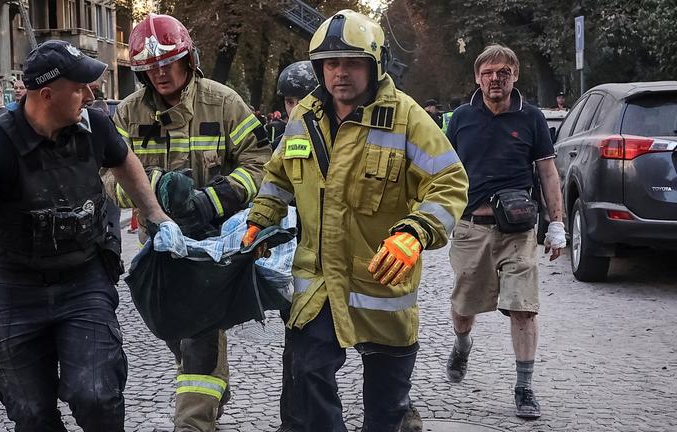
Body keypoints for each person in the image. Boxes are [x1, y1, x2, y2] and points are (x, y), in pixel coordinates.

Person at [0, 40, 170, 431]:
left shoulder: (95, 124)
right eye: (79, 86)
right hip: (17, 290)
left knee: (97, 395)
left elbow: (124, 160)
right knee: (30, 412)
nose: (89, 93)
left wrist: (157, 217)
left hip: (84, 282)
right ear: (47, 94)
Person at [243, 10, 468, 432]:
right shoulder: (302, 118)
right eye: (331, 64)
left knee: (385, 410)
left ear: (374, 64)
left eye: (351, 63)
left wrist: (415, 233)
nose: (340, 73)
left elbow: (449, 182)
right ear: (319, 68)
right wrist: (260, 219)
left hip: (381, 284)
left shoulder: (406, 118)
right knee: (308, 376)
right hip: (319, 284)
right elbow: (277, 177)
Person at [112, 14, 270, 432]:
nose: (160, 72)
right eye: (151, 66)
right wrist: (155, 194)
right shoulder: (127, 114)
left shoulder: (224, 101)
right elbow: (106, 176)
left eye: (168, 62)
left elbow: (260, 162)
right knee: (177, 335)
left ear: (189, 59)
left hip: (211, 246)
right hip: (159, 248)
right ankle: (213, 385)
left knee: (198, 339)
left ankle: (194, 422)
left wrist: (212, 201)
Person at [443, 44, 566, 420]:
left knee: (523, 309)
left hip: (517, 232)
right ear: (477, 78)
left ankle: (524, 388)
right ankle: (462, 345)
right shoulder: (461, 118)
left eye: (504, 72)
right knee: (463, 310)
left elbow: (547, 172)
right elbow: (443, 172)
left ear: (515, 76)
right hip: (470, 230)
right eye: (489, 72)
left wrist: (557, 223)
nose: (496, 78)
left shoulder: (531, 119)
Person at [268, 59, 318, 432]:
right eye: (289, 101)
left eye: (303, 98)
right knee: (298, 344)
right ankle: (294, 423)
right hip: (306, 262)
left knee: (377, 343)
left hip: (360, 258)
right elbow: (274, 190)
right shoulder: (288, 139)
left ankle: (397, 411)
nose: (295, 108)